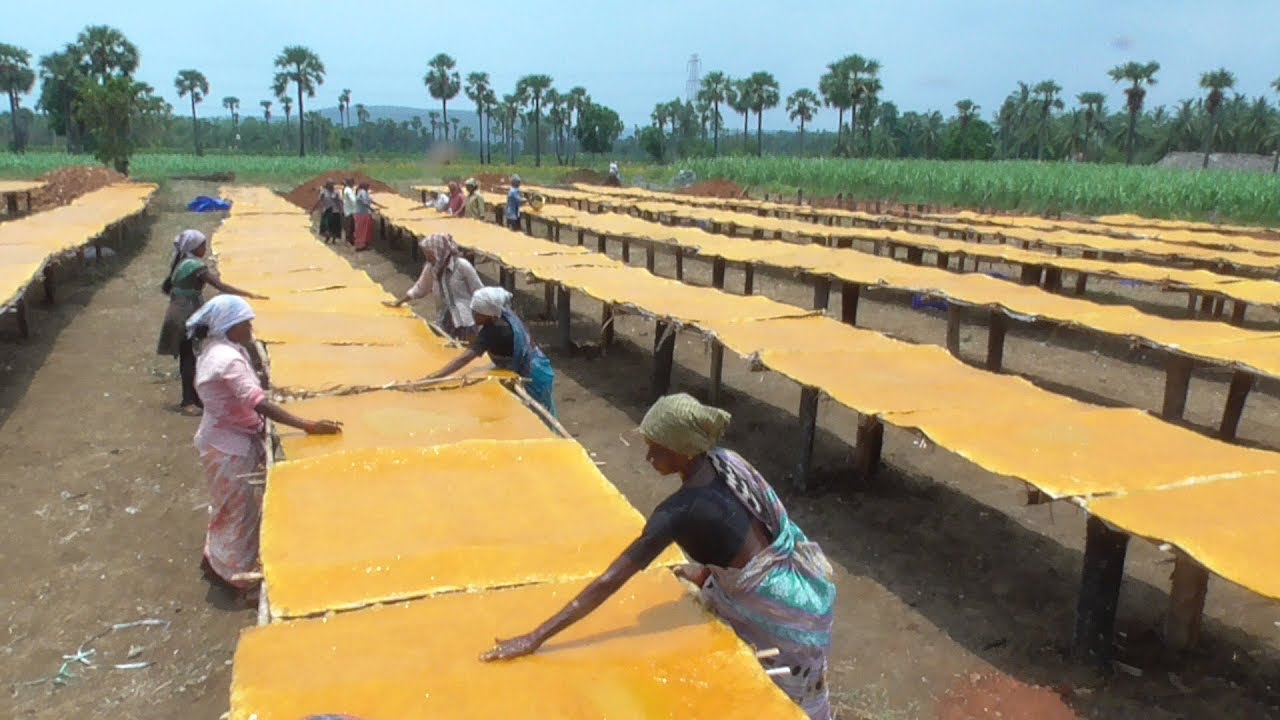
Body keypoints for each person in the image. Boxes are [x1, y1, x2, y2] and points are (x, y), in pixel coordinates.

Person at [480, 393, 836, 720]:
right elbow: (741, 537)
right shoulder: (726, 463)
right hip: (795, 587)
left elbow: (609, 581)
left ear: (683, 450)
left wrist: (535, 637)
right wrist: (707, 573)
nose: (649, 458)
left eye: (656, 450)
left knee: (788, 705)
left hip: (782, 613)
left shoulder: (679, 512)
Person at [187, 295, 342, 599]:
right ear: (231, 326)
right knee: (241, 512)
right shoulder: (228, 359)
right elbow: (256, 402)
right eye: (246, 322)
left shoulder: (218, 349)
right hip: (229, 446)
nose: (250, 327)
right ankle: (237, 576)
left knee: (226, 506)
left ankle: (216, 560)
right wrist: (307, 425)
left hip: (219, 437)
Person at [156, 229, 264, 416]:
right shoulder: (194, 266)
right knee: (188, 358)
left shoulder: (182, 263)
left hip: (179, 311)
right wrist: (249, 295)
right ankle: (188, 402)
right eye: (202, 246)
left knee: (190, 357)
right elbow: (220, 286)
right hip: (184, 315)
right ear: (194, 247)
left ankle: (195, 398)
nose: (204, 249)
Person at [422, 287, 555, 415]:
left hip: (534, 373)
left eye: (476, 313)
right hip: (538, 364)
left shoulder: (494, 331)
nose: (473, 315)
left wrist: (435, 377)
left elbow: (465, 358)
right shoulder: (503, 315)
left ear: (489, 314)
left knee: (538, 415)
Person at [384, 233, 483, 340]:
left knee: (467, 350)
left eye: (429, 253)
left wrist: (484, 317)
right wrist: (399, 302)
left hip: (466, 319)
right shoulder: (432, 268)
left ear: (438, 251)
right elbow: (420, 288)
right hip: (445, 319)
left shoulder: (462, 266)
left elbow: (479, 291)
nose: (427, 257)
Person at [353, 182, 383, 252]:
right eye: (368, 186)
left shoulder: (363, 192)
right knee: (362, 230)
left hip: (362, 213)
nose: (369, 188)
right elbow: (365, 202)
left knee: (363, 229)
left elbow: (370, 200)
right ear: (365, 187)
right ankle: (360, 246)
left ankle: (363, 244)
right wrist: (372, 209)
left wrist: (380, 205)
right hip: (362, 213)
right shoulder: (363, 192)